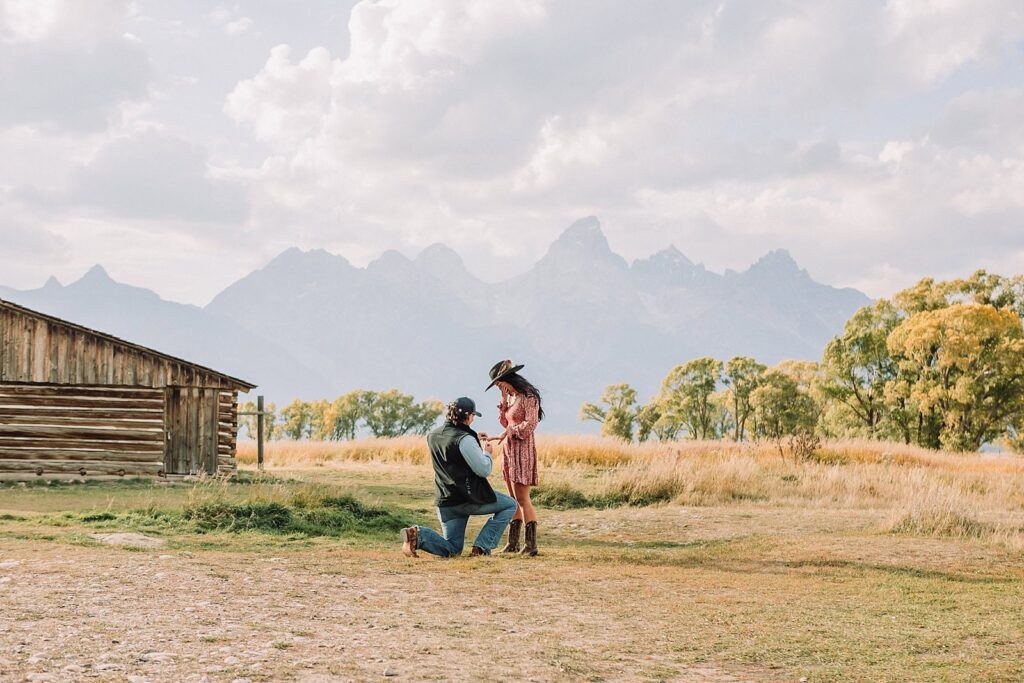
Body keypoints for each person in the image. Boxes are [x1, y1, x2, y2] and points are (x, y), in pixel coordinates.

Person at [401, 397, 518, 558]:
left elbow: (451, 448)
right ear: (468, 416)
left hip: (444, 502)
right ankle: (481, 547)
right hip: (466, 499)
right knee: (510, 505)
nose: (473, 418)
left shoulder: (433, 435)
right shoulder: (465, 439)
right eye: (473, 415)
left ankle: (417, 535)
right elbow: (483, 469)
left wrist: (474, 438)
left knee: (453, 549)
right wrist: (487, 453)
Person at [480, 359, 544, 557]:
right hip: (510, 450)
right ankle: (513, 543)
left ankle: (531, 545)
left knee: (523, 498)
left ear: (509, 379)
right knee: (512, 499)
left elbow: (530, 424)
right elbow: (505, 423)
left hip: (522, 450)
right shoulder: (514, 397)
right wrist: (504, 404)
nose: (501, 388)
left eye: (501, 384)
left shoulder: (529, 397)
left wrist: (508, 432)